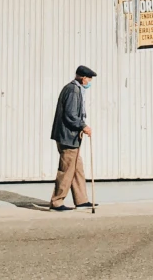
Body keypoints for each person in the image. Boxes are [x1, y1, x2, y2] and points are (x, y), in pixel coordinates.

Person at [50, 65, 97, 211]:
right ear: (83, 78)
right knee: (66, 170)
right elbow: (70, 115)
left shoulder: (75, 89)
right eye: (89, 78)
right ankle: (56, 202)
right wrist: (83, 126)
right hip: (67, 137)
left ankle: (81, 200)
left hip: (71, 137)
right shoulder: (73, 90)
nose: (89, 81)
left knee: (77, 169)